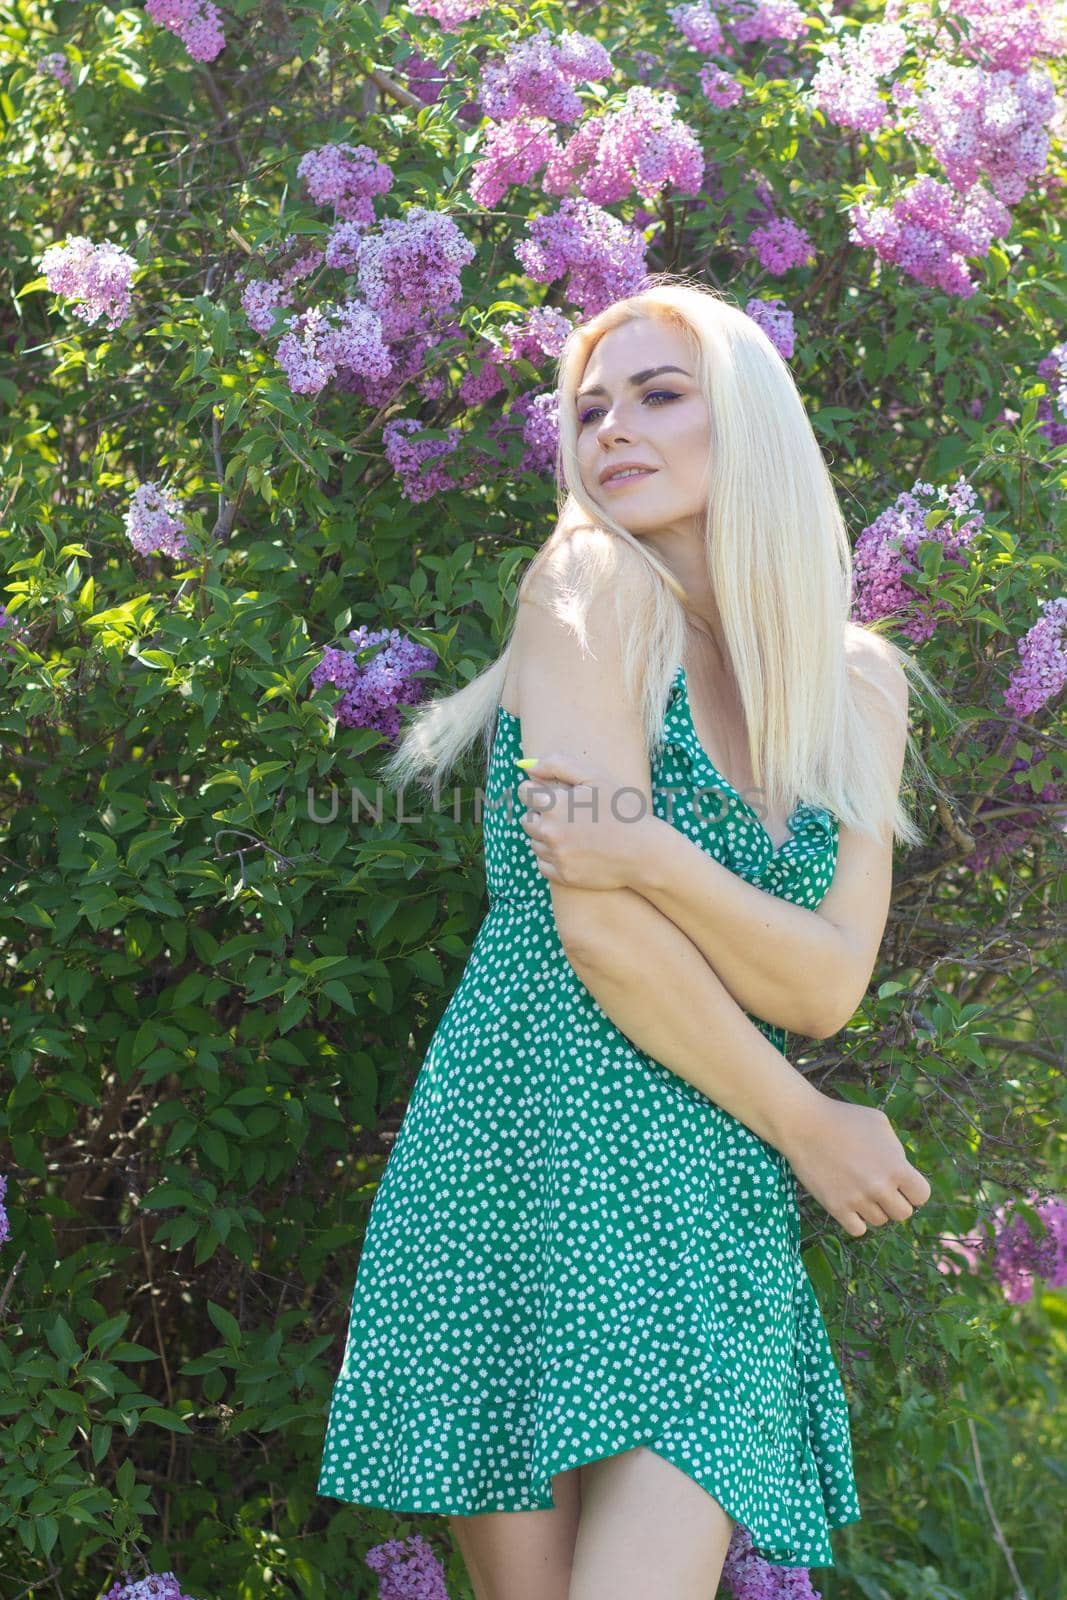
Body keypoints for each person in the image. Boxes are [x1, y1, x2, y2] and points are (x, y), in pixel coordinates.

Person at [316, 276, 941, 1599]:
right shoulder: (588, 584)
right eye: (589, 409)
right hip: (527, 1158)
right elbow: (594, 931)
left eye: (660, 395)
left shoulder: (859, 685)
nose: (613, 429)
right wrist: (809, 1125)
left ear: (751, 426)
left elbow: (828, 982)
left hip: (705, 1189)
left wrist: (655, 850)